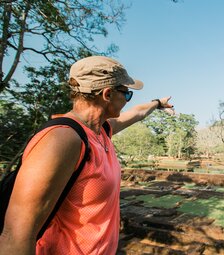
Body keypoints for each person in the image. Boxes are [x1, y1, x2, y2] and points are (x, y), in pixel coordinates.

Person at [0, 56, 173, 254]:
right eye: (126, 94)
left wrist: (158, 103)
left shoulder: (102, 130)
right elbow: (16, 235)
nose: (127, 101)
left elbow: (137, 113)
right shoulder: (62, 140)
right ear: (107, 94)